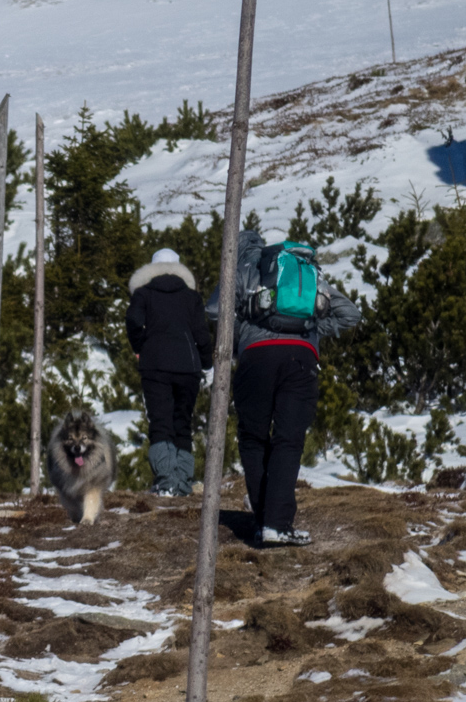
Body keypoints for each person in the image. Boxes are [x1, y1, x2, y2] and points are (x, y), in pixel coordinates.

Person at [212, 229, 361, 546]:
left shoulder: (246, 270)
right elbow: (350, 314)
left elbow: (214, 311)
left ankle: (264, 520)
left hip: (255, 359)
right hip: (300, 359)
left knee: (253, 439)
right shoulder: (307, 273)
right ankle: (277, 525)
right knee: (288, 440)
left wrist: (244, 332)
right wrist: (313, 330)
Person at [126, 247, 213, 497]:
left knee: (161, 422)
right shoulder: (191, 297)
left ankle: (166, 480)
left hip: (155, 365)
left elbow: (132, 321)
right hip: (189, 366)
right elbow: (201, 335)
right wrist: (206, 363)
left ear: (151, 269)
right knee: (182, 423)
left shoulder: (143, 294)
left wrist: (140, 345)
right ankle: (183, 480)